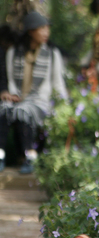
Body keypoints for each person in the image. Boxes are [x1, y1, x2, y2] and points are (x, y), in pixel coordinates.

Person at [0, 12, 68, 173]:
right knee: (3, 110)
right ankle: (0, 155)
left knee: (23, 112)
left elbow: (58, 83)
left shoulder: (52, 53)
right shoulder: (13, 52)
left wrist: (64, 105)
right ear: (31, 31)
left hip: (40, 101)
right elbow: (10, 78)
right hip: (18, 98)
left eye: (47, 28)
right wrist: (9, 94)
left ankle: (30, 158)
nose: (46, 33)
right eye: (41, 28)